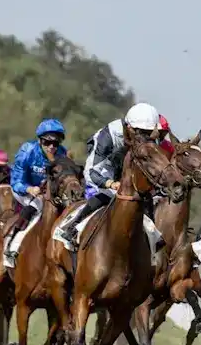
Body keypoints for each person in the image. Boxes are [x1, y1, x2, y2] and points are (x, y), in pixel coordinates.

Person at [56, 102, 165, 247]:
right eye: (141, 132)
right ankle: (73, 226)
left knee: (144, 196)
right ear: (129, 128)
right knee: (109, 193)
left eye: (148, 132)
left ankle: (153, 238)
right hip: (105, 166)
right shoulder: (107, 136)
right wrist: (110, 183)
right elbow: (90, 172)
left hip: (130, 165)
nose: (145, 137)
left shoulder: (152, 138)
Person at [3, 119, 67, 263]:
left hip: (46, 193)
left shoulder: (62, 154)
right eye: (46, 142)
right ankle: (12, 246)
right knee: (37, 206)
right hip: (23, 191)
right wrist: (29, 188)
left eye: (55, 143)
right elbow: (15, 182)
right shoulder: (27, 151)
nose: (51, 147)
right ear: (39, 140)